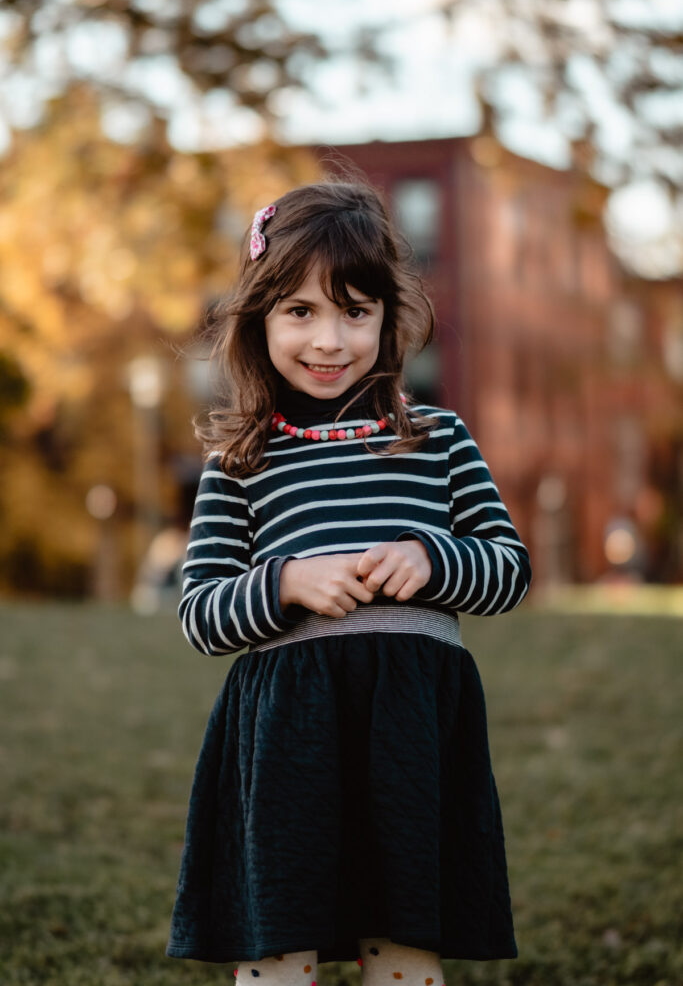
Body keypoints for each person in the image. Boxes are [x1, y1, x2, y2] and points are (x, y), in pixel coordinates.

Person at [166, 178, 532, 986]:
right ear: (259, 319)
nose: (329, 339)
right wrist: (286, 581)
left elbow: (508, 570)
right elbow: (198, 614)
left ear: (387, 318)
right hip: (287, 735)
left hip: (411, 730)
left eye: (354, 311)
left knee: (402, 942)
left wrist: (435, 557)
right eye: (300, 312)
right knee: (278, 946)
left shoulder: (435, 437)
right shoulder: (242, 461)